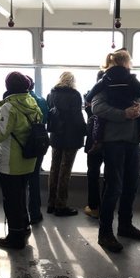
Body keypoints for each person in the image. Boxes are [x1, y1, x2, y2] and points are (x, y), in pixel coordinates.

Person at [91, 49, 140, 253]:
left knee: (132, 185)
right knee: (114, 188)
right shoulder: (106, 83)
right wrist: (123, 113)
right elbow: (96, 106)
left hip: (132, 143)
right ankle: (105, 233)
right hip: (113, 143)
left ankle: (125, 226)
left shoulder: (136, 85)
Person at [0, 71, 42, 250]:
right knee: (21, 195)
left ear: (8, 87)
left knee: (11, 200)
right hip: (28, 159)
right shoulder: (31, 101)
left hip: (11, 162)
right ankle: (24, 226)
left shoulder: (9, 108)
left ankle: (15, 237)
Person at [46, 71, 86, 216]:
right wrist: (85, 130)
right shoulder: (74, 95)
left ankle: (51, 203)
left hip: (56, 136)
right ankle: (61, 205)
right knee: (65, 171)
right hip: (71, 137)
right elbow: (77, 116)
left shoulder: (51, 94)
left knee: (54, 168)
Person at [88, 61, 140, 149]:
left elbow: (94, 99)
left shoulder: (105, 80)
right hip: (123, 136)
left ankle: (97, 141)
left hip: (117, 133)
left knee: (99, 120)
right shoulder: (132, 79)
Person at [83, 53, 114, 219]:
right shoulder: (114, 98)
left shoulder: (89, 95)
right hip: (111, 137)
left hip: (93, 137)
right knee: (110, 174)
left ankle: (93, 206)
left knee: (93, 173)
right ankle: (107, 206)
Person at [25, 77, 48, 224]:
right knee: (34, 178)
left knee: (20, 181)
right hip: (38, 142)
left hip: (21, 144)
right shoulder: (40, 100)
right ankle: (35, 212)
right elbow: (45, 120)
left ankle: (20, 214)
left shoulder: (12, 102)